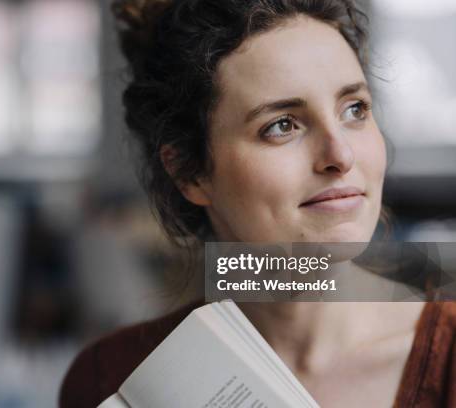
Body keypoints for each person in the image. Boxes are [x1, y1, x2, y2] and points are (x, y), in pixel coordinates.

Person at [59, 1, 456, 406]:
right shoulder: (110, 378)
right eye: (281, 125)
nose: (342, 156)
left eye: (354, 109)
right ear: (189, 173)